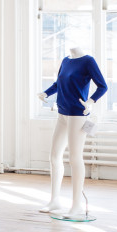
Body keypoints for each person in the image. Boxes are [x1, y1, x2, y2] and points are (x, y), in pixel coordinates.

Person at [38, 47, 107, 219]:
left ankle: (76, 205)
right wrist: (46, 93)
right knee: (54, 156)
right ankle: (55, 200)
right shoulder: (66, 60)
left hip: (77, 114)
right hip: (62, 113)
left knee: (75, 158)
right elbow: (58, 84)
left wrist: (89, 102)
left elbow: (102, 86)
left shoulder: (88, 61)